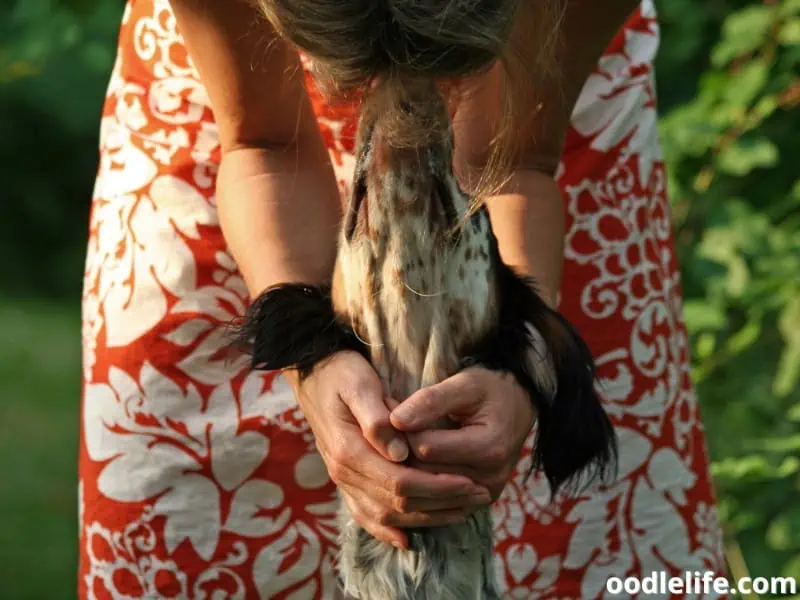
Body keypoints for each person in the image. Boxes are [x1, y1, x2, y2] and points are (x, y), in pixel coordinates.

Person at [79, 0, 726, 597]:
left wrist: (522, 362)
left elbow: (517, 164)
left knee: (574, 550)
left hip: (530, 112)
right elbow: (264, 140)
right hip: (234, 113)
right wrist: (306, 348)